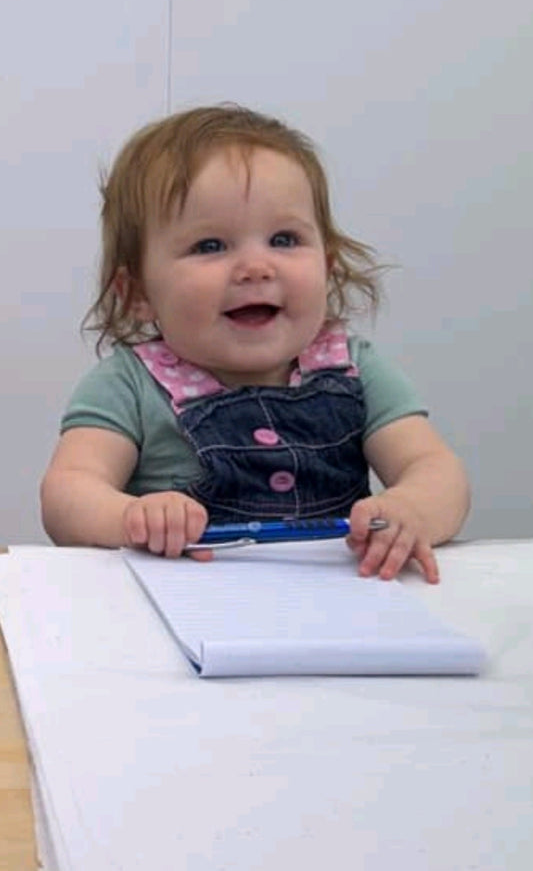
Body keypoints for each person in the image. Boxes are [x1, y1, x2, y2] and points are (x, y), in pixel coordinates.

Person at [40, 104, 470, 582]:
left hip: (343, 607)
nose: (256, 267)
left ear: (327, 266)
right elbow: (67, 492)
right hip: (185, 608)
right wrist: (130, 517)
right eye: (210, 246)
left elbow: (434, 468)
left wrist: (411, 508)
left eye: (284, 239)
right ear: (139, 294)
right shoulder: (127, 384)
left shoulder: (352, 367)